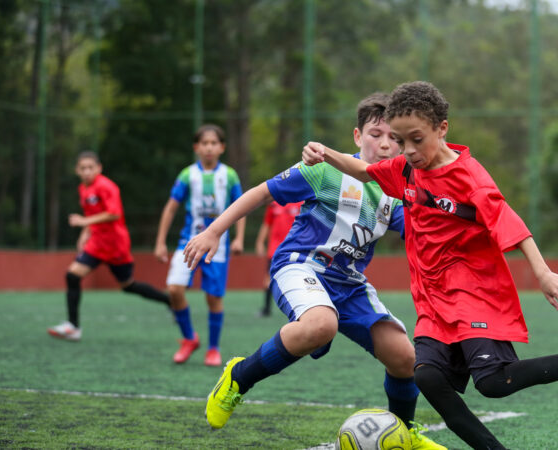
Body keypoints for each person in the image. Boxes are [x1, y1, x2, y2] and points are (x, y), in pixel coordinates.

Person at [301, 81, 558, 450]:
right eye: (401, 142)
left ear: (441, 128)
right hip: (431, 298)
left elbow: (510, 223)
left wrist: (543, 273)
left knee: (493, 382)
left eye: (417, 139)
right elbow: (365, 170)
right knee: (427, 377)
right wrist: (325, 153)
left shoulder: (470, 176)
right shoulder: (404, 170)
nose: (408, 151)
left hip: (474, 290)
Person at [186, 93, 444, 449]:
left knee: (405, 358)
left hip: (350, 283)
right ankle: (238, 377)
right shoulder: (326, 170)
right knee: (322, 325)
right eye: (375, 134)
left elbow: (424, 230)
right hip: (300, 265)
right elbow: (262, 193)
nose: (384, 144)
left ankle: (404, 433)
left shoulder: (398, 191)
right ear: (357, 136)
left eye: (394, 139)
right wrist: (214, 230)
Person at [47, 151, 171, 341]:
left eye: (90, 167)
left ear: (99, 168)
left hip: (115, 245)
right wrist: (85, 234)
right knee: (72, 275)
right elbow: (92, 215)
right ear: (77, 170)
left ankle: (169, 300)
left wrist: (83, 222)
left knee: (128, 286)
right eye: (83, 168)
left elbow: (114, 214)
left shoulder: (106, 187)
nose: (87, 171)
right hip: (97, 244)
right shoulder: (83, 188)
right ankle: (73, 326)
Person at [154, 124, 245, 367]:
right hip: (188, 243)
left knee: (213, 298)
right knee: (174, 289)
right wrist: (161, 242)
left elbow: (242, 207)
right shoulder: (187, 175)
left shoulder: (230, 175)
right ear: (196, 147)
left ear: (222, 147)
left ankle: (213, 348)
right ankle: (189, 339)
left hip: (219, 247)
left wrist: (238, 238)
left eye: (214, 143)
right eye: (204, 143)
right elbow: (171, 207)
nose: (209, 147)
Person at [254, 200, 302, 317]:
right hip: (274, 249)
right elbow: (266, 224)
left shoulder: (301, 204)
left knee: (297, 279)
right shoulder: (274, 204)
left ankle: (299, 309)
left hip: (293, 248)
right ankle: (266, 309)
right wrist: (260, 242)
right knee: (268, 279)